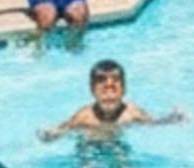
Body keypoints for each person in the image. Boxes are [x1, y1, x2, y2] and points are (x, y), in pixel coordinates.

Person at [39, 59, 186, 140]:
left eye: (115, 85)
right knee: (85, 165)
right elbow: (64, 129)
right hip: (91, 143)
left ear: (124, 90)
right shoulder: (84, 116)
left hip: (116, 141)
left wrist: (173, 118)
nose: (109, 89)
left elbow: (153, 124)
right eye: (102, 84)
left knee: (124, 163)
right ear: (92, 90)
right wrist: (50, 134)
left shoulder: (132, 113)